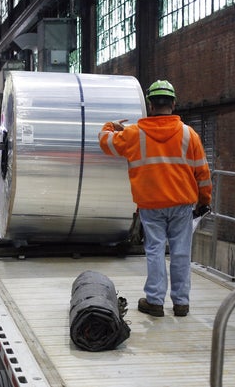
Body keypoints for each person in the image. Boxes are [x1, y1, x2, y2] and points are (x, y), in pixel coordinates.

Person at [98, 80, 212, 317]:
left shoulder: (133, 134)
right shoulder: (189, 135)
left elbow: (105, 142)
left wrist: (110, 125)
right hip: (182, 205)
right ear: (173, 103)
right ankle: (181, 303)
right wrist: (204, 200)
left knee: (155, 251)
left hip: (151, 206)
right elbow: (202, 172)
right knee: (181, 252)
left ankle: (155, 301)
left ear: (150, 105)